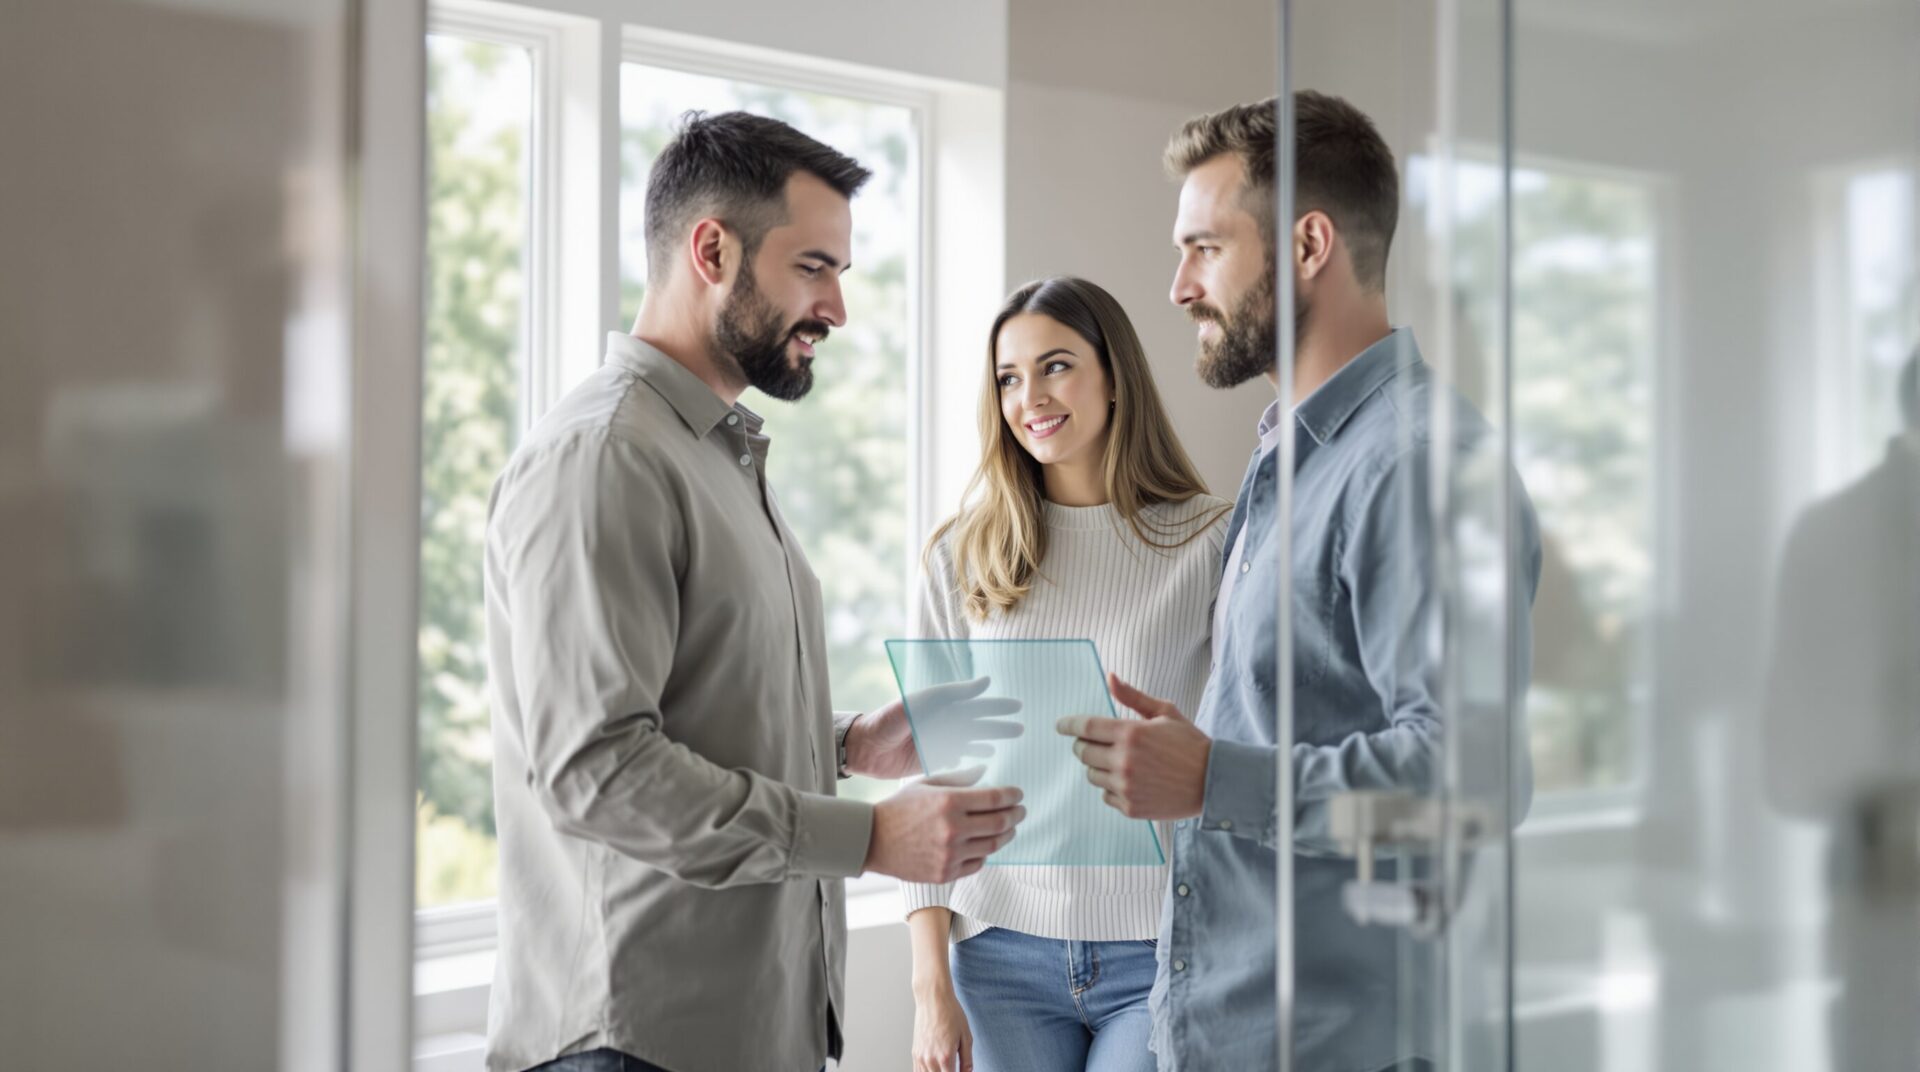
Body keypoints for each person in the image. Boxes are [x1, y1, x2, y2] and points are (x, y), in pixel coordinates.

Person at [482, 111, 1026, 1072]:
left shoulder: (715, 458)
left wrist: (851, 744)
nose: (837, 310)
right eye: (812, 268)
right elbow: (596, 769)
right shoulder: (607, 457)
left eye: (841, 275)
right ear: (712, 249)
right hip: (634, 1045)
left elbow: (687, 713)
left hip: (742, 1035)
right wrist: (865, 840)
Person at [1058, 92, 1543, 1070]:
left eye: (1205, 247)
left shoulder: (1419, 466)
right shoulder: (1293, 455)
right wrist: (1203, 760)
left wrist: (1212, 775)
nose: (1179, 286)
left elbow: (1477, 781)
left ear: (1310, 243)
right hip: (1231, 1026)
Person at [902, 277, 1233, 1072]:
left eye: (1056, 366)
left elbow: (1244, 744)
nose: (1031, 397)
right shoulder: (963, 555)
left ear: (1114, 376)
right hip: (998, 955)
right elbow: (934, 773)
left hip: (1160, 951)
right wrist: (928, 988)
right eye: (1009, 378)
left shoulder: (1212, 542)